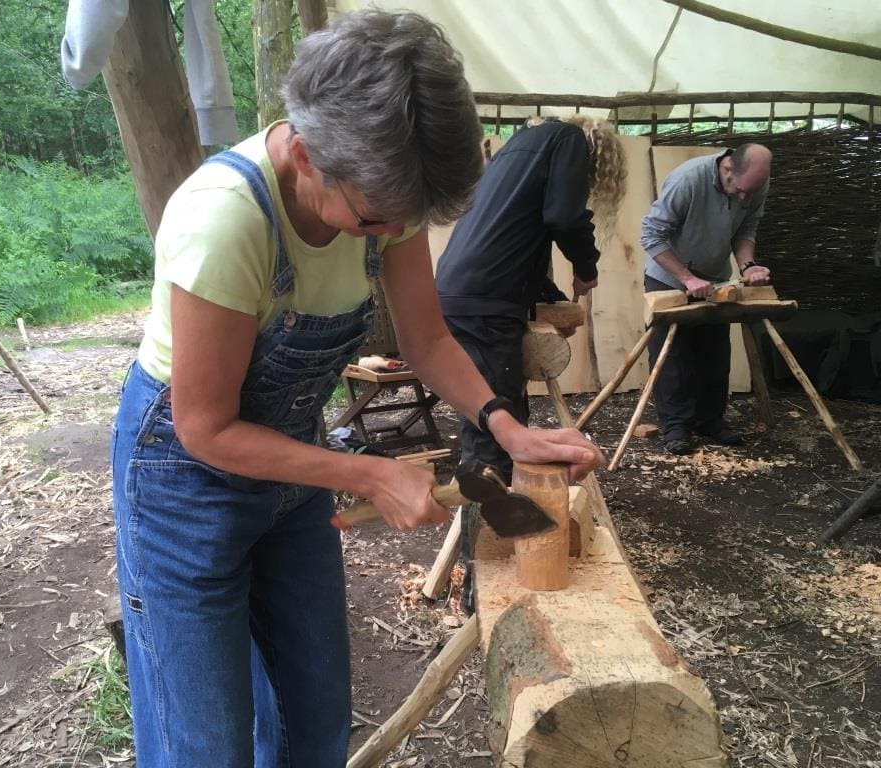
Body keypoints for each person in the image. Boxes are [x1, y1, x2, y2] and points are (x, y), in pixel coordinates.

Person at [110, 11, 605, 768]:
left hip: (289, 460)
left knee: (314, 719)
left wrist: (508, 428)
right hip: (185, 479)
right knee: (203, 744)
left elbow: (429, 340)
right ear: (306, 155)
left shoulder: (385, 194)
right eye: (373, 220)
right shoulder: (224, 222)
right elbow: (205, 428)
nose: (389, 235)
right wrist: (368, 470)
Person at [433, 115, 625, 612]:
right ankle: (487, 579)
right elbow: (562, 218)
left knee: (489, 418)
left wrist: (550, 297)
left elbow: (523, 233)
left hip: (463, 288)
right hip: (485, 300)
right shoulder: (566, 140)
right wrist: (587, 266)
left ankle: (486, 561)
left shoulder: (521, 148)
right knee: (494, 434)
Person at [640, 143, 773, 455]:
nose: (744, 197)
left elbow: (746, 229)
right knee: (672, 355)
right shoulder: (687, 180)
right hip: (669, 277)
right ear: (727, 168)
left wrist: (748, 267)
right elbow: (651, 236)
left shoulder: (755, 183)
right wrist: (686, 278)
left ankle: (709, 421)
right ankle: (676, 427)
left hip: (715, 277)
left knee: (714, 352)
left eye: (748, 192)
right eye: (739, 190)